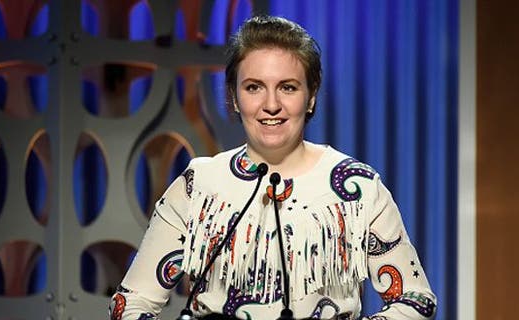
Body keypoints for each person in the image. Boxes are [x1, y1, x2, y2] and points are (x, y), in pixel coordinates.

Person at [110, 15, 436, 320]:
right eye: (254, 87)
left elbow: (415, 300)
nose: (271, 105)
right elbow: (131, 301)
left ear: (311, 97)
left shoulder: (358, 187)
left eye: (288, 87)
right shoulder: (199, 185)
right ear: (235, 97)